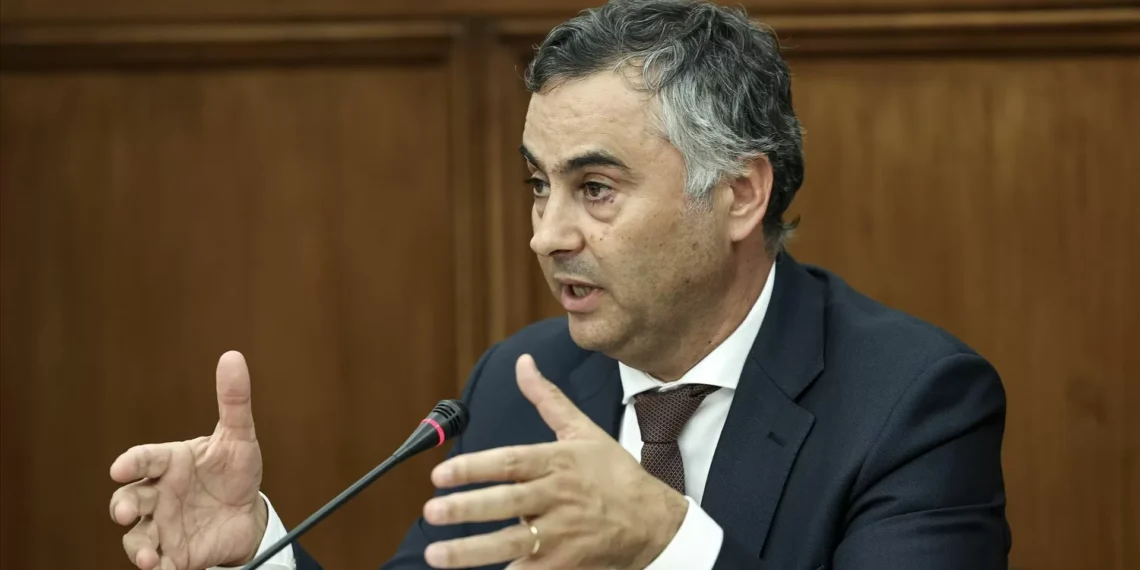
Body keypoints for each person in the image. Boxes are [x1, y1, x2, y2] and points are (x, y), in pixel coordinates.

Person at [108, 0, 1011, 568]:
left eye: (597, 188)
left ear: (740, 193)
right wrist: (256, 554)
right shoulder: (519, 383)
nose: (545, 236)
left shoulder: (911, 403)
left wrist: (669, 546)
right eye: (540, 185)